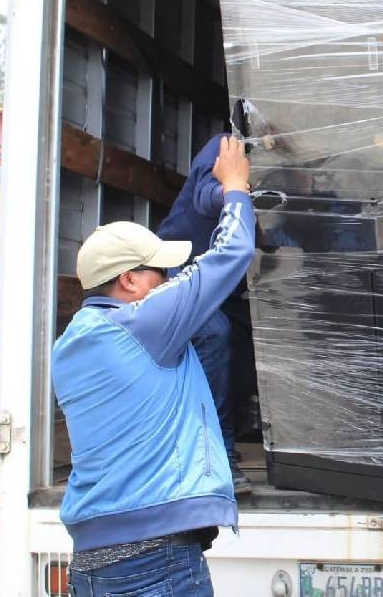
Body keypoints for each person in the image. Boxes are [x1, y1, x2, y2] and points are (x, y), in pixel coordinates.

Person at [52, 137, 254, 596]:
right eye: (158, 272)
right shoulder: (145, 324)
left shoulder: (72, 343)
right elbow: (228, 258)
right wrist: (236, 188)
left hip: (92, 562)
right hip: (154, 560)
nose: (169, 280)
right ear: (128, 280)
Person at [156, 132, 257, 494]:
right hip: (182, 268)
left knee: (256, 346)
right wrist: (236, 189)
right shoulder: (227, 146)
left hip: (230, 284)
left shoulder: (306, 170)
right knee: (213, 332)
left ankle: (244, 429)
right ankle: (217, 456)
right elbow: (205, 196)